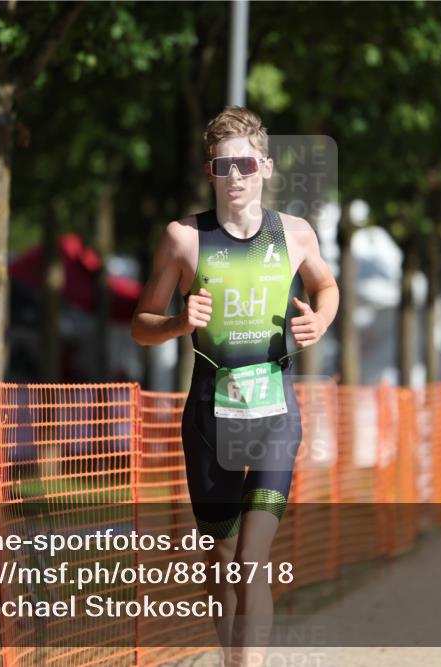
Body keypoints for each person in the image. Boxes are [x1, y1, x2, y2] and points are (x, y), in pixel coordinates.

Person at [131, 106, 339, 665]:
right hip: (208, 418)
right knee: (222, 563)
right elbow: (141, 324)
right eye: (225, 167)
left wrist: (319, 321)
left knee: (251, 559)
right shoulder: (183, 239)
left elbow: (328, 286)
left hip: (274, 416)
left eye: (247, 163)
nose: (237, 176)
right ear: (211, 173)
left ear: (266, 167)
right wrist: (178, 322)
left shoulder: (294, 234)